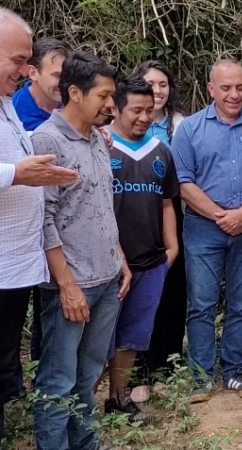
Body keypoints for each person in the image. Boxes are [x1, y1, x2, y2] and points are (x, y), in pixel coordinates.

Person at [31, 50, 132, 450]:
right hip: (71, 287)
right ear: (74, 92)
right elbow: (44, 219)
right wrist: (67, 285)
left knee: (89, 375)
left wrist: (120, 258)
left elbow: (99, 205)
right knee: (58, 381)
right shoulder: (47, 140)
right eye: (104, 96)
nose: (112, 105)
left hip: (107, 279)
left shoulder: (96, 139)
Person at [172, 59, 242, 403]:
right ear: (211, 89)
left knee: (241, 304)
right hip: (202, 230)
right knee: (202, 304)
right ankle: (201, 377)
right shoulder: (189, 129)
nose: (235, 94)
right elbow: (182, 182)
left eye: (240, 87)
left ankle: (235, 372)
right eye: (226, 88)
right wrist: (223, 216)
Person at [0, 8, 78, 442]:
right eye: (17, 60)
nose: (24, 70)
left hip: (15, 268)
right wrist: (17, 174)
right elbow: (13, 170)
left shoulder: (9, 106)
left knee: (6, 366)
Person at [103, 75, 179, 422]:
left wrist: (171, 247)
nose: (144, 117)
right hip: (108, 264)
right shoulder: (101, 147)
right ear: (116, 108)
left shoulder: (161, 152)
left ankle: (119, 398)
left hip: (151, 262)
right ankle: (81, 406)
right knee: (98, 337)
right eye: (136, 110)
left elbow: (166, 202)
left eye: (149, 110)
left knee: (132, 336)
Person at [130, 59, 189, 402]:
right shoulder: (120, 126)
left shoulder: (182, 125)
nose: (158, 90)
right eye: (151, 84)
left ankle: (166, 366)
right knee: (139, 294)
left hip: (172, 215)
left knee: (171, 293)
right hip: (135, 218)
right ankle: (137, 370)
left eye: (163, 84)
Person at [12, 37, 71, 132]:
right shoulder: (14, 115)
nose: (65, 83)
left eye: (68, 75)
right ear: (33, 73)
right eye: (58, 75)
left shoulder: (75, 99)